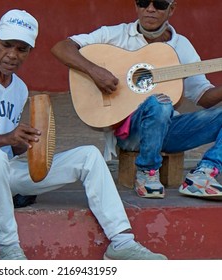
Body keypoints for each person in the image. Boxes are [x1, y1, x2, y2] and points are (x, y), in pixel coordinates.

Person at [0, 9, 167, 260]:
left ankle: (122, 241)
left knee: (89, 156)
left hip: (3, 173)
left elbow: (9, 146)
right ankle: (9, 248)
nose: (12, 55)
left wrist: (25, 142)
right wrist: (5, 138)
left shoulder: (19, 88)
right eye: (7, 45)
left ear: (29, 52)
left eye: (22, 49)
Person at [51, 0, 222, 199]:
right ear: (136, 6)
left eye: (159, 4)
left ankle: (203, 174)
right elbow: (61, 48)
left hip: (169, 131)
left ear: (171, 9)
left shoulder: (181, 46)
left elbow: (204, 96)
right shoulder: (114, 35)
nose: (150, 9)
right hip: (130, 134)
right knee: (160, 103)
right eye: (143, 2)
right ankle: (147, 172)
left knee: (163, 105)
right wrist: (95, 72)